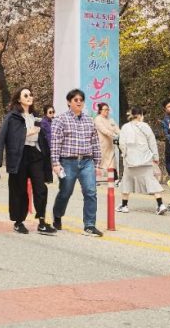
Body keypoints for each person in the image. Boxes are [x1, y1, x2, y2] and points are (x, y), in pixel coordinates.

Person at [0, 88, 56, 235]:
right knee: (19, 190)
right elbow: (3, 137)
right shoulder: (12, 117)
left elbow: (44, 137)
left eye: (30, 95)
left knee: (41, 188)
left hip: (35, 154)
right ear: (19, 99)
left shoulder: (36, 117)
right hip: (19, 156)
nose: (29, 97)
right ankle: (19, 221)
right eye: (25, 95)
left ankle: (41, 221)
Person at [51, 88, 103, 237]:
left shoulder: (89, 120)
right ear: (69, 102)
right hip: (68, 162)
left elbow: (95, 142)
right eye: (76, 100)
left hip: (87, 161)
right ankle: (57, 215)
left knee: (91, 192)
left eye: (81, 100)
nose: (79, 102)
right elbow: (55, 143)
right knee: (66, 192)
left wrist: (97, 164)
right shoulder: (60, 120)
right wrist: (55, 163)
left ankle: (90, 225)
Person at [116, 107, 167, 215]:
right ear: (139, 115)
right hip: (145, 159)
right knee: (151, 181)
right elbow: (152, 142)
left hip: (130, 160)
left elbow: (122, 144)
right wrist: (155, 157)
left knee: (126, 182)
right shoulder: (145, 126)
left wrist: (125, 155)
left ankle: (124, 206)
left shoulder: (125, 127)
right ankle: (160, 204)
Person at [94, 102, 120, 180]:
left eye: (108, 109)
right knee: (100, 163)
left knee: (112, 163)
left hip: (110, 145)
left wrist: (123, 135)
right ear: (100, 111)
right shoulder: (98, 119)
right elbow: (104, 130)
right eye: (105, 110)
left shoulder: (111, 119)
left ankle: (113, 180)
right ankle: (94, 179)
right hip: (101, 146)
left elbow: (117, 129)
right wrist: (114, 135)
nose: (107, 111)